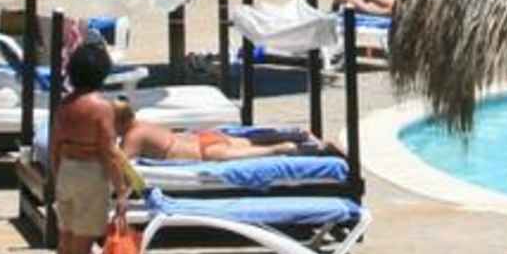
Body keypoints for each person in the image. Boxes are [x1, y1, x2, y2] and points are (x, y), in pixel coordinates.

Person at [47, 42, 131, 254]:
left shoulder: (64, 106)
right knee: (82, 249)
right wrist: (121, 189)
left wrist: (57, 177)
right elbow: (108, 152)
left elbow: (55, 147)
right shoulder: (101, 107)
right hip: (90, 174)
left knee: (65, 243)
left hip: (67, 171)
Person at [114, 99, 340, 162]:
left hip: (205, 152)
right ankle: (303, 138)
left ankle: (289, 146)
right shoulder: (143, 124)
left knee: (269, 151)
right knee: (251, 143)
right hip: (205, 138)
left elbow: (120, 163)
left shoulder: (134, 136)